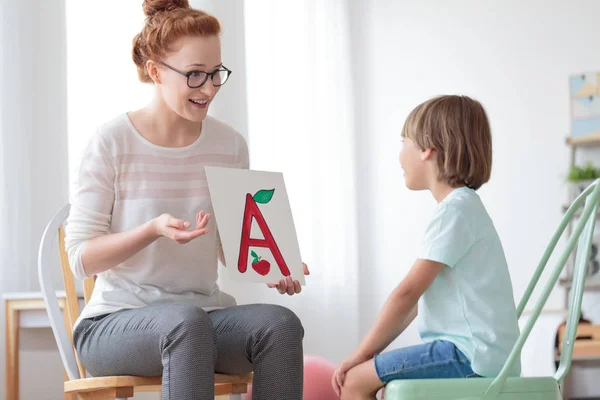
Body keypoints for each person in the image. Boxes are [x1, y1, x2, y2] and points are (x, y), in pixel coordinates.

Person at [65, 1, 308, 399]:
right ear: (156, 71)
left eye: (215, 73)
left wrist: (270, 262)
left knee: (279, 324)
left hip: (202, 318)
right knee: (186, 323)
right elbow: (81, 258)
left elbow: (234, 246)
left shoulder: (229, 144)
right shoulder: (111, 142)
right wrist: (150, 230)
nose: (209, 88)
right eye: (195, 75)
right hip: (115, 323)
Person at [332, 95, 521, 399]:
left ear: (427, 148)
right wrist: (372, 355)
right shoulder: (464, 208)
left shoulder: (454, 211)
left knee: (354, 381)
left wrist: (360, 355)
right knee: (371, 375)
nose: (399, 155)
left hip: (467, 356)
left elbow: (406, 295)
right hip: (485, 356)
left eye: (403, 141)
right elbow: (414, 306)